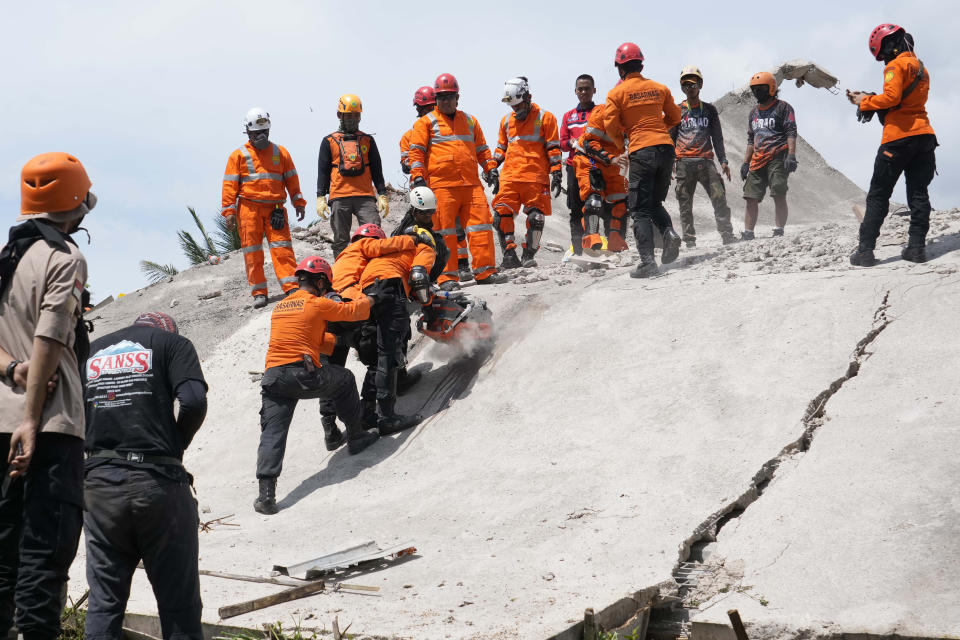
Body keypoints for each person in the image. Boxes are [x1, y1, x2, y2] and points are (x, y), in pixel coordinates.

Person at [0, 152, 94, 640]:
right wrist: (32, 420)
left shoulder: (8, 257)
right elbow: (50, 338)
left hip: (0, 420)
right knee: (45, 556)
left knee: (3, 558)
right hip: (49, 428)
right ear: (74, 205)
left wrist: (12, 372)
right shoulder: (65, 258)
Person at [82, 312, 207, 640]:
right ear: (167, 331)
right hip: (157, 486)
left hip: (97, 490)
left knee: (104, 604)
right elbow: (193, 401)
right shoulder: (173, 344)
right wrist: (175, 448)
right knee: (178, 604)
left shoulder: (91, 351)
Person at [256, 257, 379, 515]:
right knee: (344, 380)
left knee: (272, 433)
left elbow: (310, 337)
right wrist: (372, 299)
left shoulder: (280, 307)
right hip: (302, 374)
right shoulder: (316, 302)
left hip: (273, 378)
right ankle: (356, 437)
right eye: (326, 284)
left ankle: (266, 496)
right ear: (321, 281)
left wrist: (337, 340)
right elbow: (350, 312)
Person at [330, 224, 436, 434]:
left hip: (361, 296)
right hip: (387, 289)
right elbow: (418, 276)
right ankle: (387, 418)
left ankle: (365, 415)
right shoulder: (423, 248)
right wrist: (429, 308)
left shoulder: (369, 258)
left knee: (372, 357)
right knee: (387, 353)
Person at [408, 73, 509, 289]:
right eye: (441, 97)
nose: (445, 101)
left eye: (449, 96)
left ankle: (485, 271)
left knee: (480, 227)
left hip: (471, 185)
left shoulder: (470, 121)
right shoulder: (425, 123)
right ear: (435, 99)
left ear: (457, 98)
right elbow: (416, 152)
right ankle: (447, 278)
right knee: (445, 234)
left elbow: (482, 149)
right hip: (441, 187)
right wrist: (418, 177)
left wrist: (491, 169)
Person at [848, 24, 937, 266]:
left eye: (882, 55)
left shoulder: (894, 66)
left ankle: (865, 252)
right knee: (918, 194)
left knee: (878, 195)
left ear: (888, 46)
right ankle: (917, 249)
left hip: (897, 138)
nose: (883, 60)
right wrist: (870, 99)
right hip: (924, 137)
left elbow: (892, 98)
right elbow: (904, 100)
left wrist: (865, 102)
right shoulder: (921, 67)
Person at [603, 42, 683, 278]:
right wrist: (660, 130)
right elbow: (676, 116)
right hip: (666, 149)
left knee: (638, 209)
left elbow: (609, 125)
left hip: (641, 150)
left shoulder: (616, 93)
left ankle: (648, 262)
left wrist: (621, 144)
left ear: (620, 68)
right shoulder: (659, 88)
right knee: (654, 203)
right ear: (641, 64)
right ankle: (669, 233)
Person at [222, 107, 307, 309]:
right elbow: (229, 185)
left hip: (275, 209)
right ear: (248, 132)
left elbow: (292, 180)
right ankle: (259, 292)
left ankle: (291, 287)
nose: (261, 136)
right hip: (248, 210)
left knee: (282, 249)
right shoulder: (238, 156)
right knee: (252, 252)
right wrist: (229, 211)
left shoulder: (280, 153)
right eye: (257, 133)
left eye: (264, 132)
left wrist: (298, 201)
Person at [491, 77, 563, 269]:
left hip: (535, 177)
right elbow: (500, 149)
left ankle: (528, 256)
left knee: (536, 218)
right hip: (510, 177)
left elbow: (554, 148)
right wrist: (492, 167)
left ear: (528, 96)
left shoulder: (546, 117)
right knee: (500, 215)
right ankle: (509, 255)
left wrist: (556, 172)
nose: (516, 110)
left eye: (519, 105)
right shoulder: (506, 121)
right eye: (513, 106)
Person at [401, 87, 471, 281]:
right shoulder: (411, 134)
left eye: (429, 107)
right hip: (424, 191)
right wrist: (418, 163)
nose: (426, 112)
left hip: (446, 186)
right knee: (428, 232)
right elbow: (405, 162)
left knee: (455, 229)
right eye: (422, 109)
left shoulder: (448, 128)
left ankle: (463, 265)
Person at [670, 66, 737, 247]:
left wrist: (723, 161)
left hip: (706, 162)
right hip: (684, 162)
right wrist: (670, 163)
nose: (690, 87)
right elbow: (670, 138)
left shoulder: (710, 110)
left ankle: (727, 235)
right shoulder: (676, 111)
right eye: (686, 84)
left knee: (719, 197)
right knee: (685, 203)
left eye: (693, 83)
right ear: (682, 87)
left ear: (700, 85)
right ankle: (690, 241)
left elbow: (717, 137)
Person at [317, 95, 391, 258]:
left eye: (356, 115)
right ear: (339, 115)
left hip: (365, 196)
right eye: (349, 115)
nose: (353, 119)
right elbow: (323, 171)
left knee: (373, 235)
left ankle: (372, 271)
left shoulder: (367, 140)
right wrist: (320, 196)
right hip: (339, 197)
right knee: (341, 240)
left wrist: (382, 194)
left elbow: (377, 170)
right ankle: (342, 274)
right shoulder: (329, 141)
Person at [739, 72, 798, 240]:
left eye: (761, 88)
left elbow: (791, 131)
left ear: (772, 88)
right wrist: (745, 163)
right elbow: (751, 139)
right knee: (750, 197)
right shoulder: (753, 113)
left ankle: (779, 230)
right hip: (757, 160)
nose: (758, 92)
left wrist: (791, 156)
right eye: (755, 89)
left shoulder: (784, 108)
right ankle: (749, 233)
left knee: (778, 193)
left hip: (778, 157)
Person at [572, 102, 630, 252]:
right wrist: (610, 158)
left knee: (620, 204)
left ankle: (616, 243)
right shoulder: (602, 112)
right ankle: (590, 242)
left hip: (615, 163)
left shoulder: (636, 115)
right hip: (590, 159)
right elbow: (588, 142)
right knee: (594, 201)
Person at [560, 75, 598, 254]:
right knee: (575, 209)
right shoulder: (568, 116)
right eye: (580, 89)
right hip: (573, 166)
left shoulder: (600, 112)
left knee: (595, 205)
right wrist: (572, 143)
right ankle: (577, 251)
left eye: (587, 88)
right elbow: (562, 142)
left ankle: (595, 246)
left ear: (594, 90)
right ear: (575, 91)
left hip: (594, 164)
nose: (584, 92)